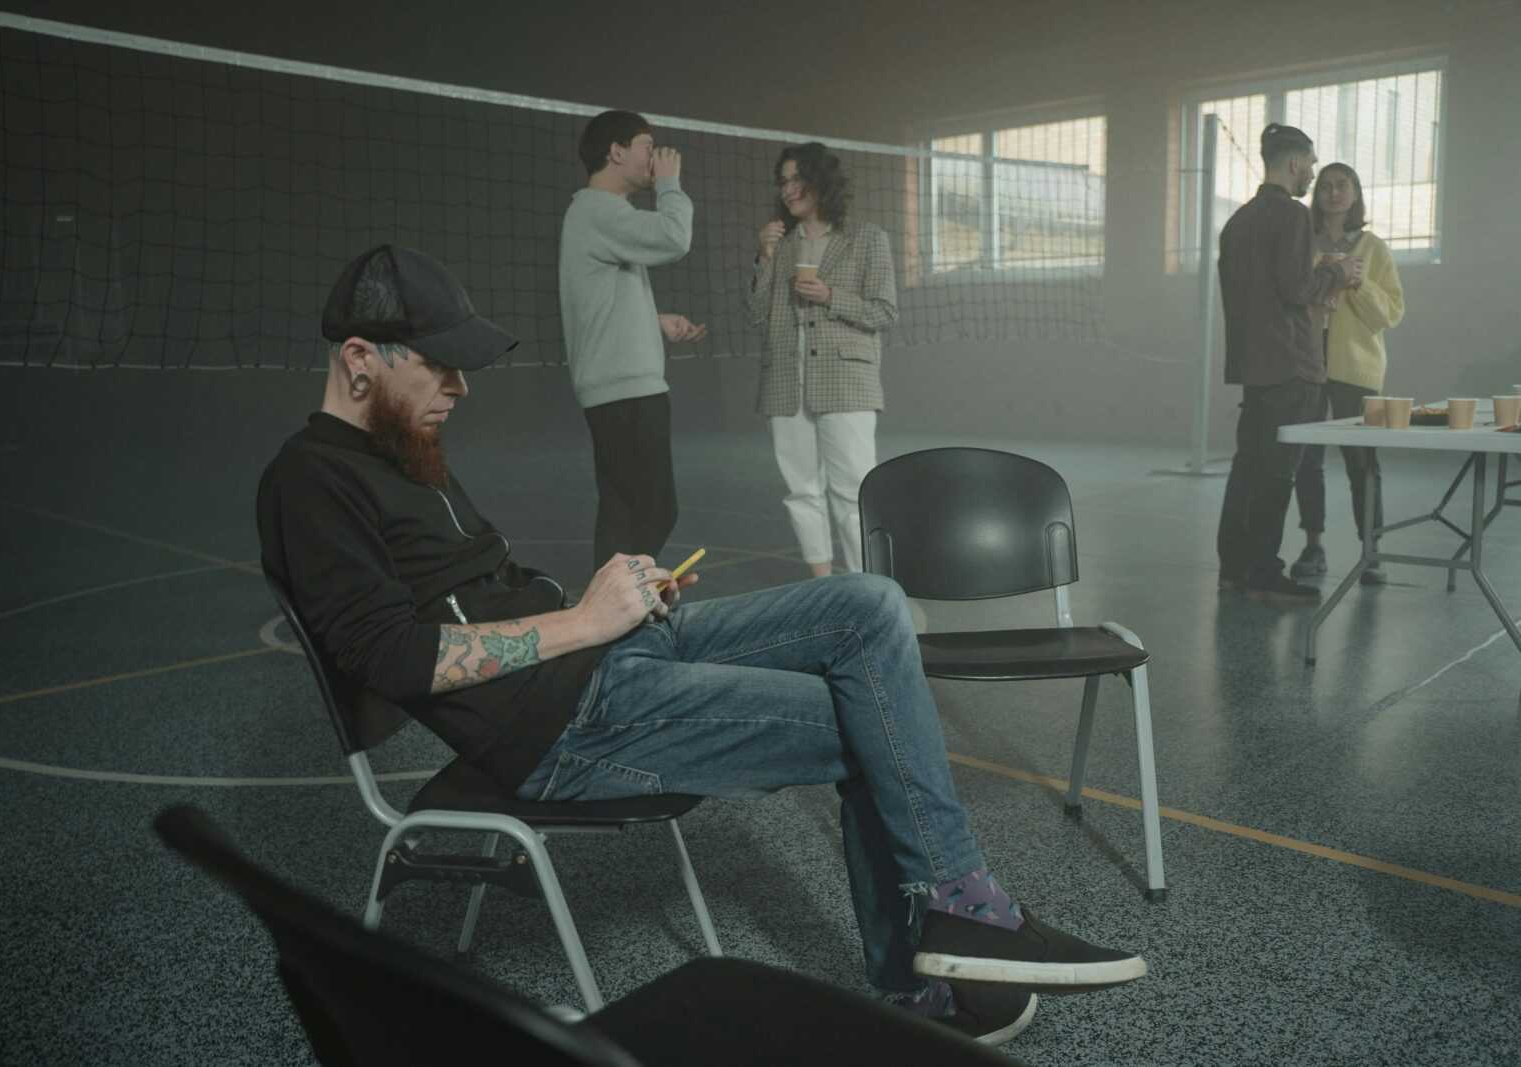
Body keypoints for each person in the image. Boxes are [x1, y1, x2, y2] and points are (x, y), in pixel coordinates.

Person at [258, 244, 1149, 1049]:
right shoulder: (311, 480)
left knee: (869, 605)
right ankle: (928, 962)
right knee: (871, 718)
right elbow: (395, 659)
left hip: (608, 657)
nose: (461, 386)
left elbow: (487, 584)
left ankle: (951, 910)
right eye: (441, 364)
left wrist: (617, 601)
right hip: (563, 727)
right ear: (360, 360)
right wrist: (585, 623)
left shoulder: (410, 451)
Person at [1215, 123, 1363, 602]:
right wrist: (1337, 272)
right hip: (1293, 364)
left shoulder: (1238, 221)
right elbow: (1297, 291)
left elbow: (1257, 291)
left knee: (1246, 468)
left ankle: (1234, 568)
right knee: (1278, 473)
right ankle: (1263, 571)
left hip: (1253, 365)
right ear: (1296, 163)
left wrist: (1314, 272)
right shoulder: (1293, 216)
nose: (1313, 175)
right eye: (1312, 165)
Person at [559, 109, 706, 571]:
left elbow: (598, 294)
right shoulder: (599, 210)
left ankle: (614, 619)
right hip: (626, 393)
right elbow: (673, 238)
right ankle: (616, 610)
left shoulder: (600, 214)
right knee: (652, 511)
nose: (656, 155)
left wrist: (652, 318)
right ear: (616, 152)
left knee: (626, 512)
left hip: (619, 388)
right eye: (647, 145)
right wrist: (670, 184)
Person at [747, 142, 897, 577]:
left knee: (854, 494)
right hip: (785, 385)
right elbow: (757, 313)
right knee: (801, 491)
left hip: (847, 383)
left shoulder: (866, 239)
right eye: (784, 182)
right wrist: (764, 257)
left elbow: (883, 312)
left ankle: (867, 588)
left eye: (797, 179)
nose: (789, 189)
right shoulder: (781, 243)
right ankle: (823, 587)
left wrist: (831, 297)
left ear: (821, 182)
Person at [1289, 162, 1405, 585]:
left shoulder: (1373, 247)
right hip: (1306, 365)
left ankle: (1371, 551)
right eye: (1326, 187)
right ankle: (1313, 545)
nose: (1334, 193)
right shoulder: (1303, 242)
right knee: (1306, 460)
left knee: (1363, 461)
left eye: (1343, 186)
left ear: (1355, 195)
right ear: (1317, 197)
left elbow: (1390, 314)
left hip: (1357, 369)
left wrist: (1357, 282)